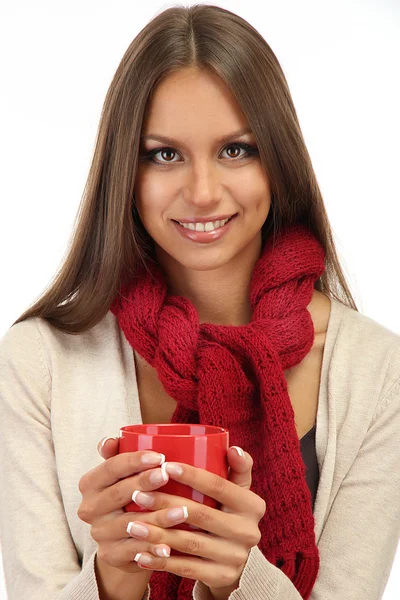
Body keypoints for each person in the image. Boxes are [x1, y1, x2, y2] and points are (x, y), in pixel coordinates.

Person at [0, 4, 399, 600]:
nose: (204, 192)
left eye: (236, 150)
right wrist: (114, 576)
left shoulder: (376, 370)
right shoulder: (37, 362)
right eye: (165, 154)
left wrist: (245, 577)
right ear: (124, 173)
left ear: (278, 162)